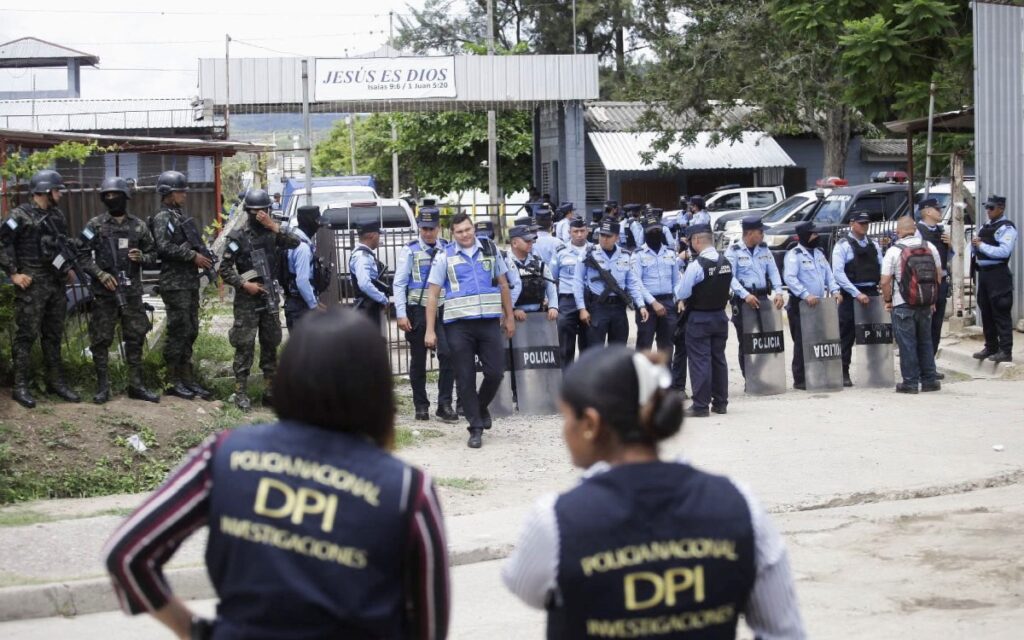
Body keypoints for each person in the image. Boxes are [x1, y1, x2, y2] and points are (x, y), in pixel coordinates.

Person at [103, 309, 450, 640]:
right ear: (376, 389)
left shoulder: (224, 455)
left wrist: (190, 628)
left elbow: (127, 553)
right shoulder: (407, 490)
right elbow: (429, 627)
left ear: (287, 376)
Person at [502, 346, 806, 640]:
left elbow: (523, 584)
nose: (564, 431)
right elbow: (785, 631)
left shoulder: (555, 522)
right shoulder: (741, 506)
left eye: (566, 417)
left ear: (591, 424)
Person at [425, 212, 516, 449]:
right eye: (459, 231)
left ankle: (481, 405)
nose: (464, 235)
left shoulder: (490, 249)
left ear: (473, 228)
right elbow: (433, 294)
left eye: (467, 229)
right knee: (464, 377)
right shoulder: (444, 256)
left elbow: (504, 284)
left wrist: (509, 317)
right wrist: (430, 330)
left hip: (488, 322)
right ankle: (475, 427)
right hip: (458, 325)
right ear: (452, 234)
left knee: (496, 372)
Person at [0, 169, 81, 408]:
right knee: (26, 336)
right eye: (57, 190)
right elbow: (1, 243)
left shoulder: (57, 216)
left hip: (55, 284)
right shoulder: (19, 216)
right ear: (46, 190)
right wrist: (13, 274)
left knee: (54, 335)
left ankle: (56, 381)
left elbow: (60, 245)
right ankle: (21, 386)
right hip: (32, 285)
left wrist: (67, 267)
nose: (61, 195)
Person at [78, 177, 160, 404]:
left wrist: (142, 257)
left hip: (131, 292)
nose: (111, 199)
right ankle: (103, 387)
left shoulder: (138, 226)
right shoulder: (95, 225)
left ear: (125, 197)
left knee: (135, 337)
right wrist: (100, 274)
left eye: (116, 195)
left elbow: (154, 253)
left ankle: (136, 385)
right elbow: (81, 254)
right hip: (105, 294)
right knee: (100, 339)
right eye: (107, 196)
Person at [219, 189, 300, 411]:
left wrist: (274, 226)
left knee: (271, 342)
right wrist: (245, 284)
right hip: (247, 298)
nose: (259, 215)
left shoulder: (273, 232)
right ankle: (241, 392)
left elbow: (296, 243)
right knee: (244, 344)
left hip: (269, 295)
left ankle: (270, 390)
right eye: (255, 212)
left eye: (263, 211)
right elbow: (224, 268)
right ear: (248, 211)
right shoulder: (238, 236)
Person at [151, 170, 214, 400]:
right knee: (178, 331)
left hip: (188, 283)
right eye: (180, 191)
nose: (184, 194)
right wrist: (192, 256)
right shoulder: (163, 218)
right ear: (168, 193)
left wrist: (202, 256)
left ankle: (187, 377)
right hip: (174, 284)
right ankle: (172, 380)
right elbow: (163, 246)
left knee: (191, 330)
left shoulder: (178, 216)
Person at [394, 205, 458, 423]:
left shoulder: (448, 249)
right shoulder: (410, 250)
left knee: (448, 355)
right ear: (419, 228)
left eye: (431, 228)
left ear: (439, 228)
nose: (428, 233)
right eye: (424, 228)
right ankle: (421, 406)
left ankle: (444, 404)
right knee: (419, 360)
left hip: (444, 309)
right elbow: (399, 283)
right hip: (418, 311)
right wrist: (401, 314)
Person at [881, 216, 942, 394]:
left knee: (907, 344)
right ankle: (929, 380)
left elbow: (885, 281)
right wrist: (932, 300)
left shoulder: (894, 251)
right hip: (925, 303)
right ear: (914, 228)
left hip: (902, 304)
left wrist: (887, 301)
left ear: (898, 231)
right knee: (925, 341)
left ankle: (910, 382)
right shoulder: (929, 247)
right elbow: (938, 275)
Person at [676, 226, 732, 417]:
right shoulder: (726, 262)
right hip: (720, 316)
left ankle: (700, 406)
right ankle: (721, 403)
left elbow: (682, 293)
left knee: (700, 361)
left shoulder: (696, 266)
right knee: (719, 360)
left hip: (699, 318)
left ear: (697, 241)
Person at [783, 222, 842, 390]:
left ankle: (817, 374)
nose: (816, 237)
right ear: (803, 236)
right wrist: (804, 294)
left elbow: (828, 275)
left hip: (819, 304)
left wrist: (835, 290)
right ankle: (800, 379)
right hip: (800, 304)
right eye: (813, 234)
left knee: (819, 340)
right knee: (802, 342)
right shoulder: (794, 255)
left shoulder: (819, 254)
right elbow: (790, 278)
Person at [725, 216, 784, 377]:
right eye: (760, 232)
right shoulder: (734, 251)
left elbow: (773, 271)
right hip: (744, 302)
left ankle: (758, 374)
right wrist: (745, 295)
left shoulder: (764, 249)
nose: (763, 235)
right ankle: (750, 378)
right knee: (747, 342)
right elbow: (730, 277)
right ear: (749, 233)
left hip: (763, 299)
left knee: (770, 338)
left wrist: (778, 291)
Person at [574, 220, 648, 349]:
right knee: (595, 350)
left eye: (608, 236)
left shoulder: (625, 255)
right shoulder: (588, 253)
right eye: (602, 235)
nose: (604, 239)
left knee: (618, 351)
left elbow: (632, 283)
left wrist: (641, 305)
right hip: (597, 307)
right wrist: (582, 308)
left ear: (617, 237)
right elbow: (578, 281)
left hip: (619, 308)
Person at [831, 211, 883, 387]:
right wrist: (856, 293)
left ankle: (874, 370)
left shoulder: (874, 244)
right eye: (861, 223)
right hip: (851, 295)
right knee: (846, 335)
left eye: (866, 223)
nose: (864, 226)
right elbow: (838, 273)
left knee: (874, 334)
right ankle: (843, 371)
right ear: (852, 223)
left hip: (872, 293)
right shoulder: (843, 245)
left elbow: (881, 267)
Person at [971, 195, 1017, 363]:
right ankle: (991, 347)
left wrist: (981, 245)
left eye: (991, 208)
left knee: (1000, 311)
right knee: (986, 311)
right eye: (987, 208)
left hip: (998, 274)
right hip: (984, 274)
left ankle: (1005, 350)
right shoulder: (986, 226)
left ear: (1001, 208)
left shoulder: (1007, 228)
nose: (988, 211)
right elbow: (975, 246)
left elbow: (1004, 251)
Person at [632, 209, 679, 356]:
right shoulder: (638, 255)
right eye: (651, 231)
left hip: (668, 304)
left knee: (667, 346)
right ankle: (641, 379)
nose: (655, 233)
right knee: (644, 346)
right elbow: (636, 283)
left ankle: (665, 378)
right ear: (645, 233)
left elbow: (676, 282)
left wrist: (678, 299)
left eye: (658, 230)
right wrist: (653, 302)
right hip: (648, 306)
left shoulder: (670, 254)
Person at [915, 198, 951, 372]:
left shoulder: (942, 231)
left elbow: (950, 256)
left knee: (936, 326)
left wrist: (950, 244)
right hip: (925, 283)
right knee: (924, 325)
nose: (940, 212)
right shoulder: (917, 231)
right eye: (937, 209)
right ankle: (922, 366)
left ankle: (930, 366)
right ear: (927, 211)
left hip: (941, 282)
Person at [551, 217, 591, 368]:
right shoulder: (561, 251)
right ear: (569, 232)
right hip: (567, 301)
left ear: (587, 231)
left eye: (582, 231)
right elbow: (552, 279)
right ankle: (567, 384)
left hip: (590, 302)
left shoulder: (594, 250)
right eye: (576, 231)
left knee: (588, 346)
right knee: (565, 347)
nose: (579, 234)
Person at [284, 205, 326, 330]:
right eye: (317, 223)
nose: (318, 227)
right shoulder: (302, 247)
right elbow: (302, 281)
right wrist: (314, 305)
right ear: (310, 223)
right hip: (300, 307)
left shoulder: (294, 239)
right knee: (306, 348)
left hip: (296, 302)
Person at [508, 225, 559, 321]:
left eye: (531, 240)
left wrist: (553, 306)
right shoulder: (505, 262)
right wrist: (512, 310)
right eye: (527, 241)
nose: (530, 243)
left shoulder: (538, 262)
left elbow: (550, 284)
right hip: (514, 318)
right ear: (514, 243)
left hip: (538, 315)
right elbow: (501, 290)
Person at [348, 219, 389, 325]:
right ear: (372, 235)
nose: (379, 238)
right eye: (378, 235)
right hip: (367, 309)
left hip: (369, 306)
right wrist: (383, 299)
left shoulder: (363, 254)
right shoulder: (362, 257)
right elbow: (364, 284)